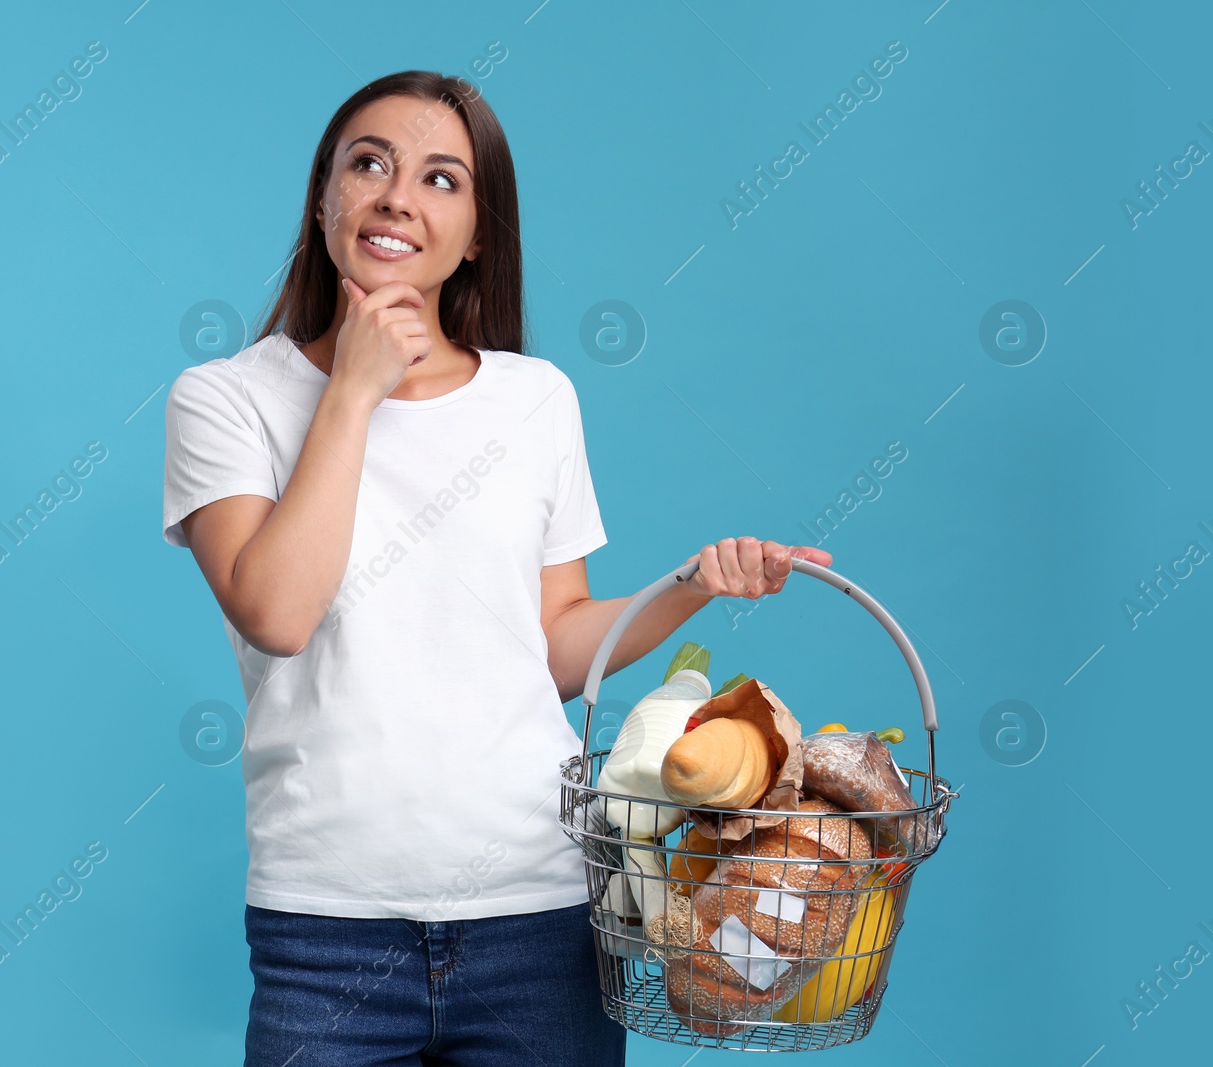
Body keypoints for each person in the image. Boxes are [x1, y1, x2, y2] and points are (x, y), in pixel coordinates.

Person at [161, 69, 831, 1067]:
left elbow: (553, 647)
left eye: (441, 178)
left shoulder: (534, 399)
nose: (396, 195)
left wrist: (692, 583)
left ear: (474, 232)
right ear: (324, 194)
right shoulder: (225, 400)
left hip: (542, 913)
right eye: (370, 163)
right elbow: (278, 612)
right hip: (326, 926)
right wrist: (352, 391)